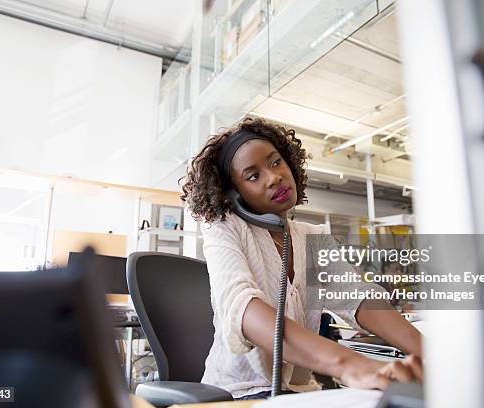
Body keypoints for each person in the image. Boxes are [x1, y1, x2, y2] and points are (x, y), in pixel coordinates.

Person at [179, 117, 423, 400]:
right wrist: (350, 365)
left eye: (275, 162)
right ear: (233, 195)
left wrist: (429, 353)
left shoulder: (312, 236)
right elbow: (242, 306)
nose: (274, 177)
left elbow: (359, 297)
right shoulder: (225, 228)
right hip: (239, 394)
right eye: (253, 176)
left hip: (300, 394)